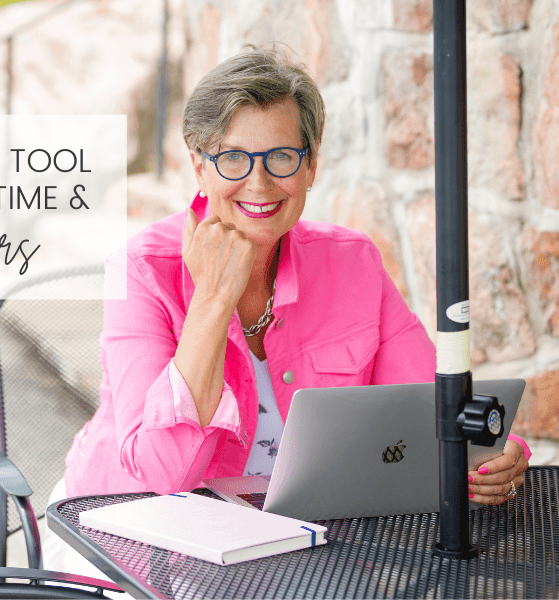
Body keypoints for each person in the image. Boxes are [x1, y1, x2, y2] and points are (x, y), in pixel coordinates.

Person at [42, 47, 530, 575]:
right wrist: (212, 300)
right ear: (198, 167)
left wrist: (493, 458)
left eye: (282, 157)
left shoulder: (353, 262)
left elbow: (429, 412)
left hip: (300, 544)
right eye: (233, 157)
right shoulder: (140, 270)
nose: (259, 183)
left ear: (311, 165)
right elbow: (165, 472)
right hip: (127, 534)